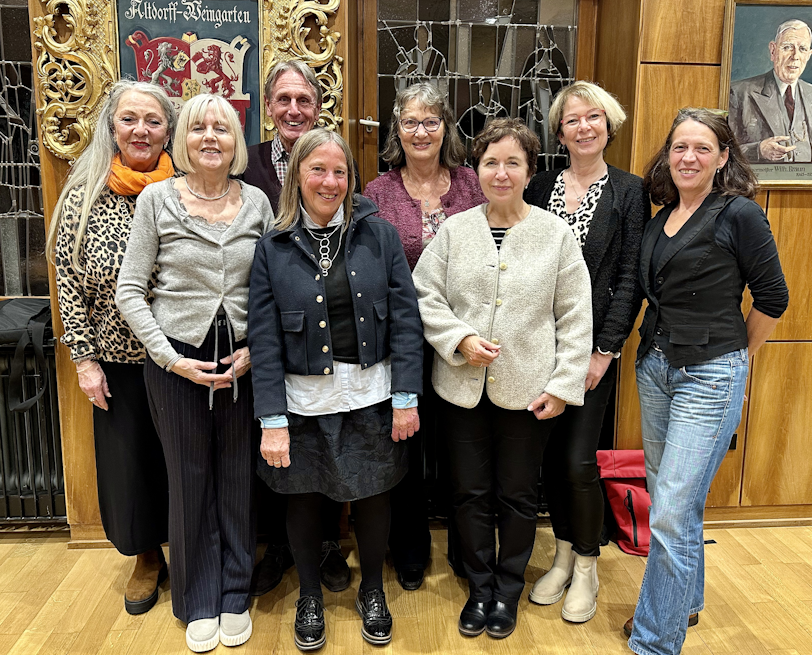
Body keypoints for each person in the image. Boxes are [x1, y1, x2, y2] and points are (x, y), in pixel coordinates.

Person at [413, 118, 593, 639]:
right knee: (468, 492)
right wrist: (460, 339)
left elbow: (575, 316)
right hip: (461, 390)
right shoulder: (455, 230)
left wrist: (562, 387)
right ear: (477, 169)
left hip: (529, 392)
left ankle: (508, 589)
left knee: (517, 495)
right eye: (491, 162)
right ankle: (479, 587)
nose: (501, 172)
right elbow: (424, 294)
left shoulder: (555, 234)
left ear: (530, 171)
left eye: (513, 162)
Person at [248, 129, 423, 651]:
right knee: (302, 498)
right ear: (297, 178)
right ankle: (309, 595)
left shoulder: (380, 235)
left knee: (372, 496)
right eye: (317, 170)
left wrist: (406, 398)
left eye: (340, 171)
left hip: (372, 392)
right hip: (303, 400)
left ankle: (373, 591)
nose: (330, 182)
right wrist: (272, 419)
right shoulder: (273, 247)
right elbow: (264, 338)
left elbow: (407, 321)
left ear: (351, 177)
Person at [625, 108, 788, 655]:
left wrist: (736, 356)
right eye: (679, 147)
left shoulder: (738, 213)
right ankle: (684, 602)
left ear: (722, 158)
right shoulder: (661, 217)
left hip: (709, 376)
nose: (688, 158)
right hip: (656, 369)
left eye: (701, 148)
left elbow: (773, 298)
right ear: (667, 156)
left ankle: (654, 640)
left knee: (670, 510)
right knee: (674, 501)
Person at [116, 93, 273, 653]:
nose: (210, 137)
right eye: (198, 128)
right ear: (182, 140)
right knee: (188, 480)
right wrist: (170, 358)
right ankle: (198, 596)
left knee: (238, 477)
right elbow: (130, 290)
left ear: (236, 143)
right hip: (178, 360)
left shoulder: (257, 202)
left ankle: (234, 592)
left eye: (222, 129)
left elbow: (274, 286)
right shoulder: (156, 200)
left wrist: (257, 350)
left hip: (241, 360)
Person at [48, 79, 174, 616]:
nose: (141, 130)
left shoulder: (188, 187)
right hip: (118, 361)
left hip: (182, 358)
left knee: (183, 462)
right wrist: (84, 361)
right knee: (130, 466)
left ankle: (191, 550)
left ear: (169, 130)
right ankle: (146, 556)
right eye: (129, 119)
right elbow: (68, 283)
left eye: (153, 120)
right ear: (112, 127)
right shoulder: (85, 195)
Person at [523, 81, 648, 623]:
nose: (584, 127)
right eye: (572, 119)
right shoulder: (540, 185)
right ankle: (562, 555)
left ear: (608, 123)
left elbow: (630, 277)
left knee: (577, 461)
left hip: (591, 351)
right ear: (559, 132)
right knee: (549, 460)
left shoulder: (629, 191)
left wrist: (605, 350)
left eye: (593, 117)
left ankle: (589, 564)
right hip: (536, 348)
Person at [363, 82, 486, 589]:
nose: (421, 132)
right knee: (406, 448)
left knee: (461, 450)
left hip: (464, 339)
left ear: (445, 128)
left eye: (431, 122)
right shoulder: (377, 192)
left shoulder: (472, 184)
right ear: (397, 129)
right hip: (401, 342)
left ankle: (466, 548)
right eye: (410, 122)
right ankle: (409, 548)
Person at [242, 58, 351, 596]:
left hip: (325, 330)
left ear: (318, 107)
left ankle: (328, 543)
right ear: (268, 107)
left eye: (303, 100)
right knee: (275, 444)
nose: (293, 109)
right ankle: (280, 547)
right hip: (267, 326)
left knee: (328, 443)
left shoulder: (332, 163)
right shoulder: (247, 165)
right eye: (282, 99)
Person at [729, 19, 812, 162]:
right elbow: (723, 150)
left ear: (809, 55)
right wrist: (759, 150)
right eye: (787, 47)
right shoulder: (738, 93)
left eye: (802, 49)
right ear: (773, 50)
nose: (795, 56)